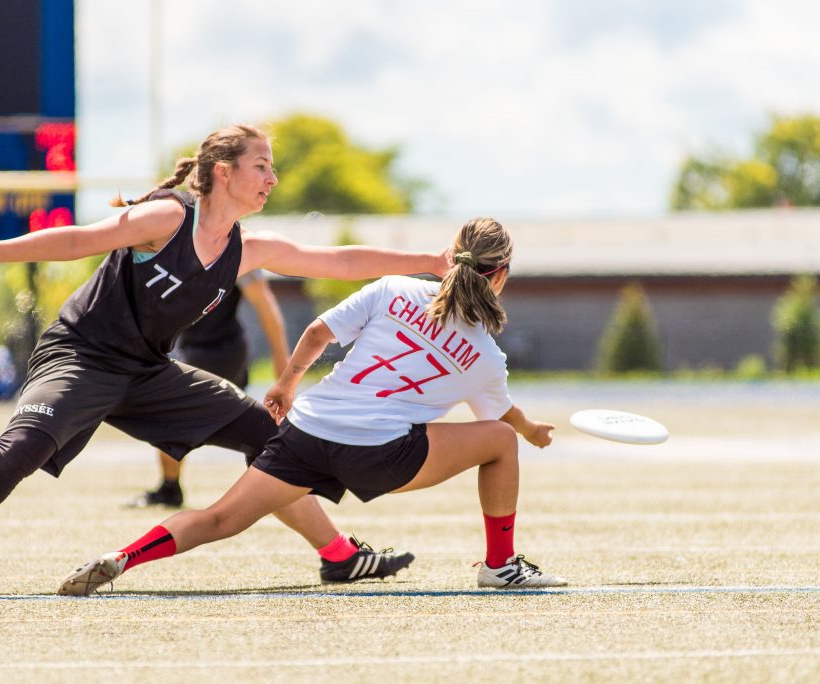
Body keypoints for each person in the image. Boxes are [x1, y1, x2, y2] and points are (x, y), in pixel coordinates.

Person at [0, 123, 448, 594]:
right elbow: (79, 240)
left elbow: (338, 260)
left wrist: (427, 259)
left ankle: (339, 556)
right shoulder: (169, 219)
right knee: (21, 449)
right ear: (223, 171)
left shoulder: (245, 248)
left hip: (147, 372)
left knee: (268, 434)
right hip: (81, 356)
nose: (272, 179)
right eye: (262, 167)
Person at [57, 217, 567, 596]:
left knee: (218, 518)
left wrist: (285, 384)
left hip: (308, 433)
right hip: (380, 456)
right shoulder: (485, 354)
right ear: (500, 276)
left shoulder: (392, 290)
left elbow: (318, 332)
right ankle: (500, 566)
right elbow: (501, 418)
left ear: (450, 256)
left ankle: (124, 556)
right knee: (499, 444)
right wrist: (529, 431)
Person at [123, 269, 289, 508]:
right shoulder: (185, 249)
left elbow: (265, 304)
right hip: (206, 349)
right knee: (232, 419)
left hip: (219, 351)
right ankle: (274, 481)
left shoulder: (239, 250)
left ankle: (171, 488)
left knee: (170, 416)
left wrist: (281, 359)